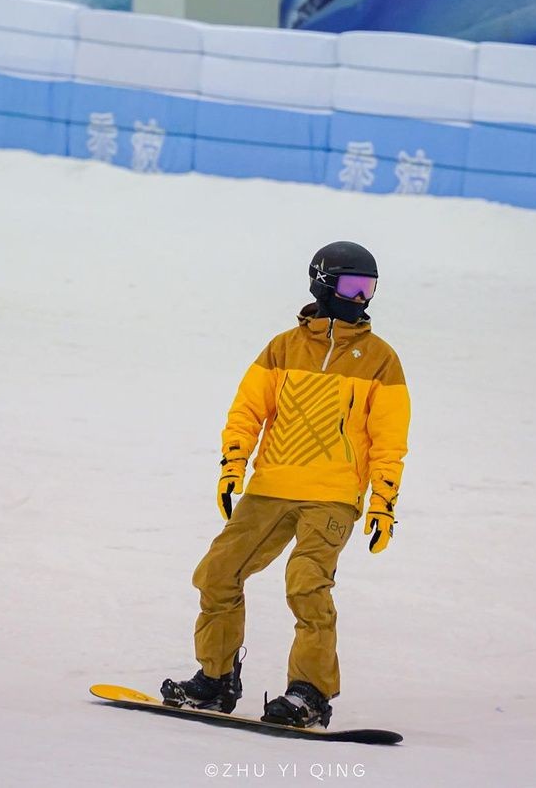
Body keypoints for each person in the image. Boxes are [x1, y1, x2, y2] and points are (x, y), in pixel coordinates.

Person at [161, 241, 411, 728]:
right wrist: (233, 466)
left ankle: (309, 694)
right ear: (322, 283)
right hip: (270, 486)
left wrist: (383, 503)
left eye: (370, 288)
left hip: (334, 495)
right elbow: (247, 412)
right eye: (353, 286)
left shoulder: (381, 360)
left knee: (306, 584)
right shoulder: (282, 348)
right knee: (218, 574)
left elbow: (389, 441)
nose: (362, 299)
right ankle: (215, 679)